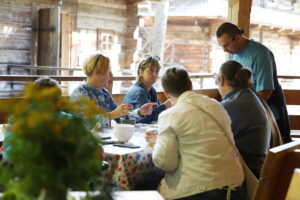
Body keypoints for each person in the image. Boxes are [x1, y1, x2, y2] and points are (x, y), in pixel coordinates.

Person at [147, 66, 245, 200]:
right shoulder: (216, 105)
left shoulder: (170, 115)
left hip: (201, 192)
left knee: (147, 183)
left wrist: (157, 142)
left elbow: (166, 164)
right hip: (236, 188)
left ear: (166, 93)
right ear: (190, 85)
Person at [216, 22, 291, 143]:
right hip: (245, 113)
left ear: (237, 37)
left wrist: (245, 113)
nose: (224, 50)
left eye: (226, 45)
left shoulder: (260, 54)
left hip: (267, 116)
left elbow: (265, 92)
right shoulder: (233, 55)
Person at [216, 60, 271, 177]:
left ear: (221, 80)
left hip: (247, 174)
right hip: (259, 170)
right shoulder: (249, 96)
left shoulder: (231, 105)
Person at [70, 53, 157, 128]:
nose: (111, 75)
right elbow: (84, 124)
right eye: (109, 71)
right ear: (96, 72)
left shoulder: (104, 92)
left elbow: (119, 116)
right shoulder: (80, 93)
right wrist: (112, 115)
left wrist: (139, 112)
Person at [125, 55, 171, 123]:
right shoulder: (139, 91)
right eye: (151, 70)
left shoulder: (152, 91)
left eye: (157, 71)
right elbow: (146, 117)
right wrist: (165, 105)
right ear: (141, 72)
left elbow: (158, 113)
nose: (155, 74)